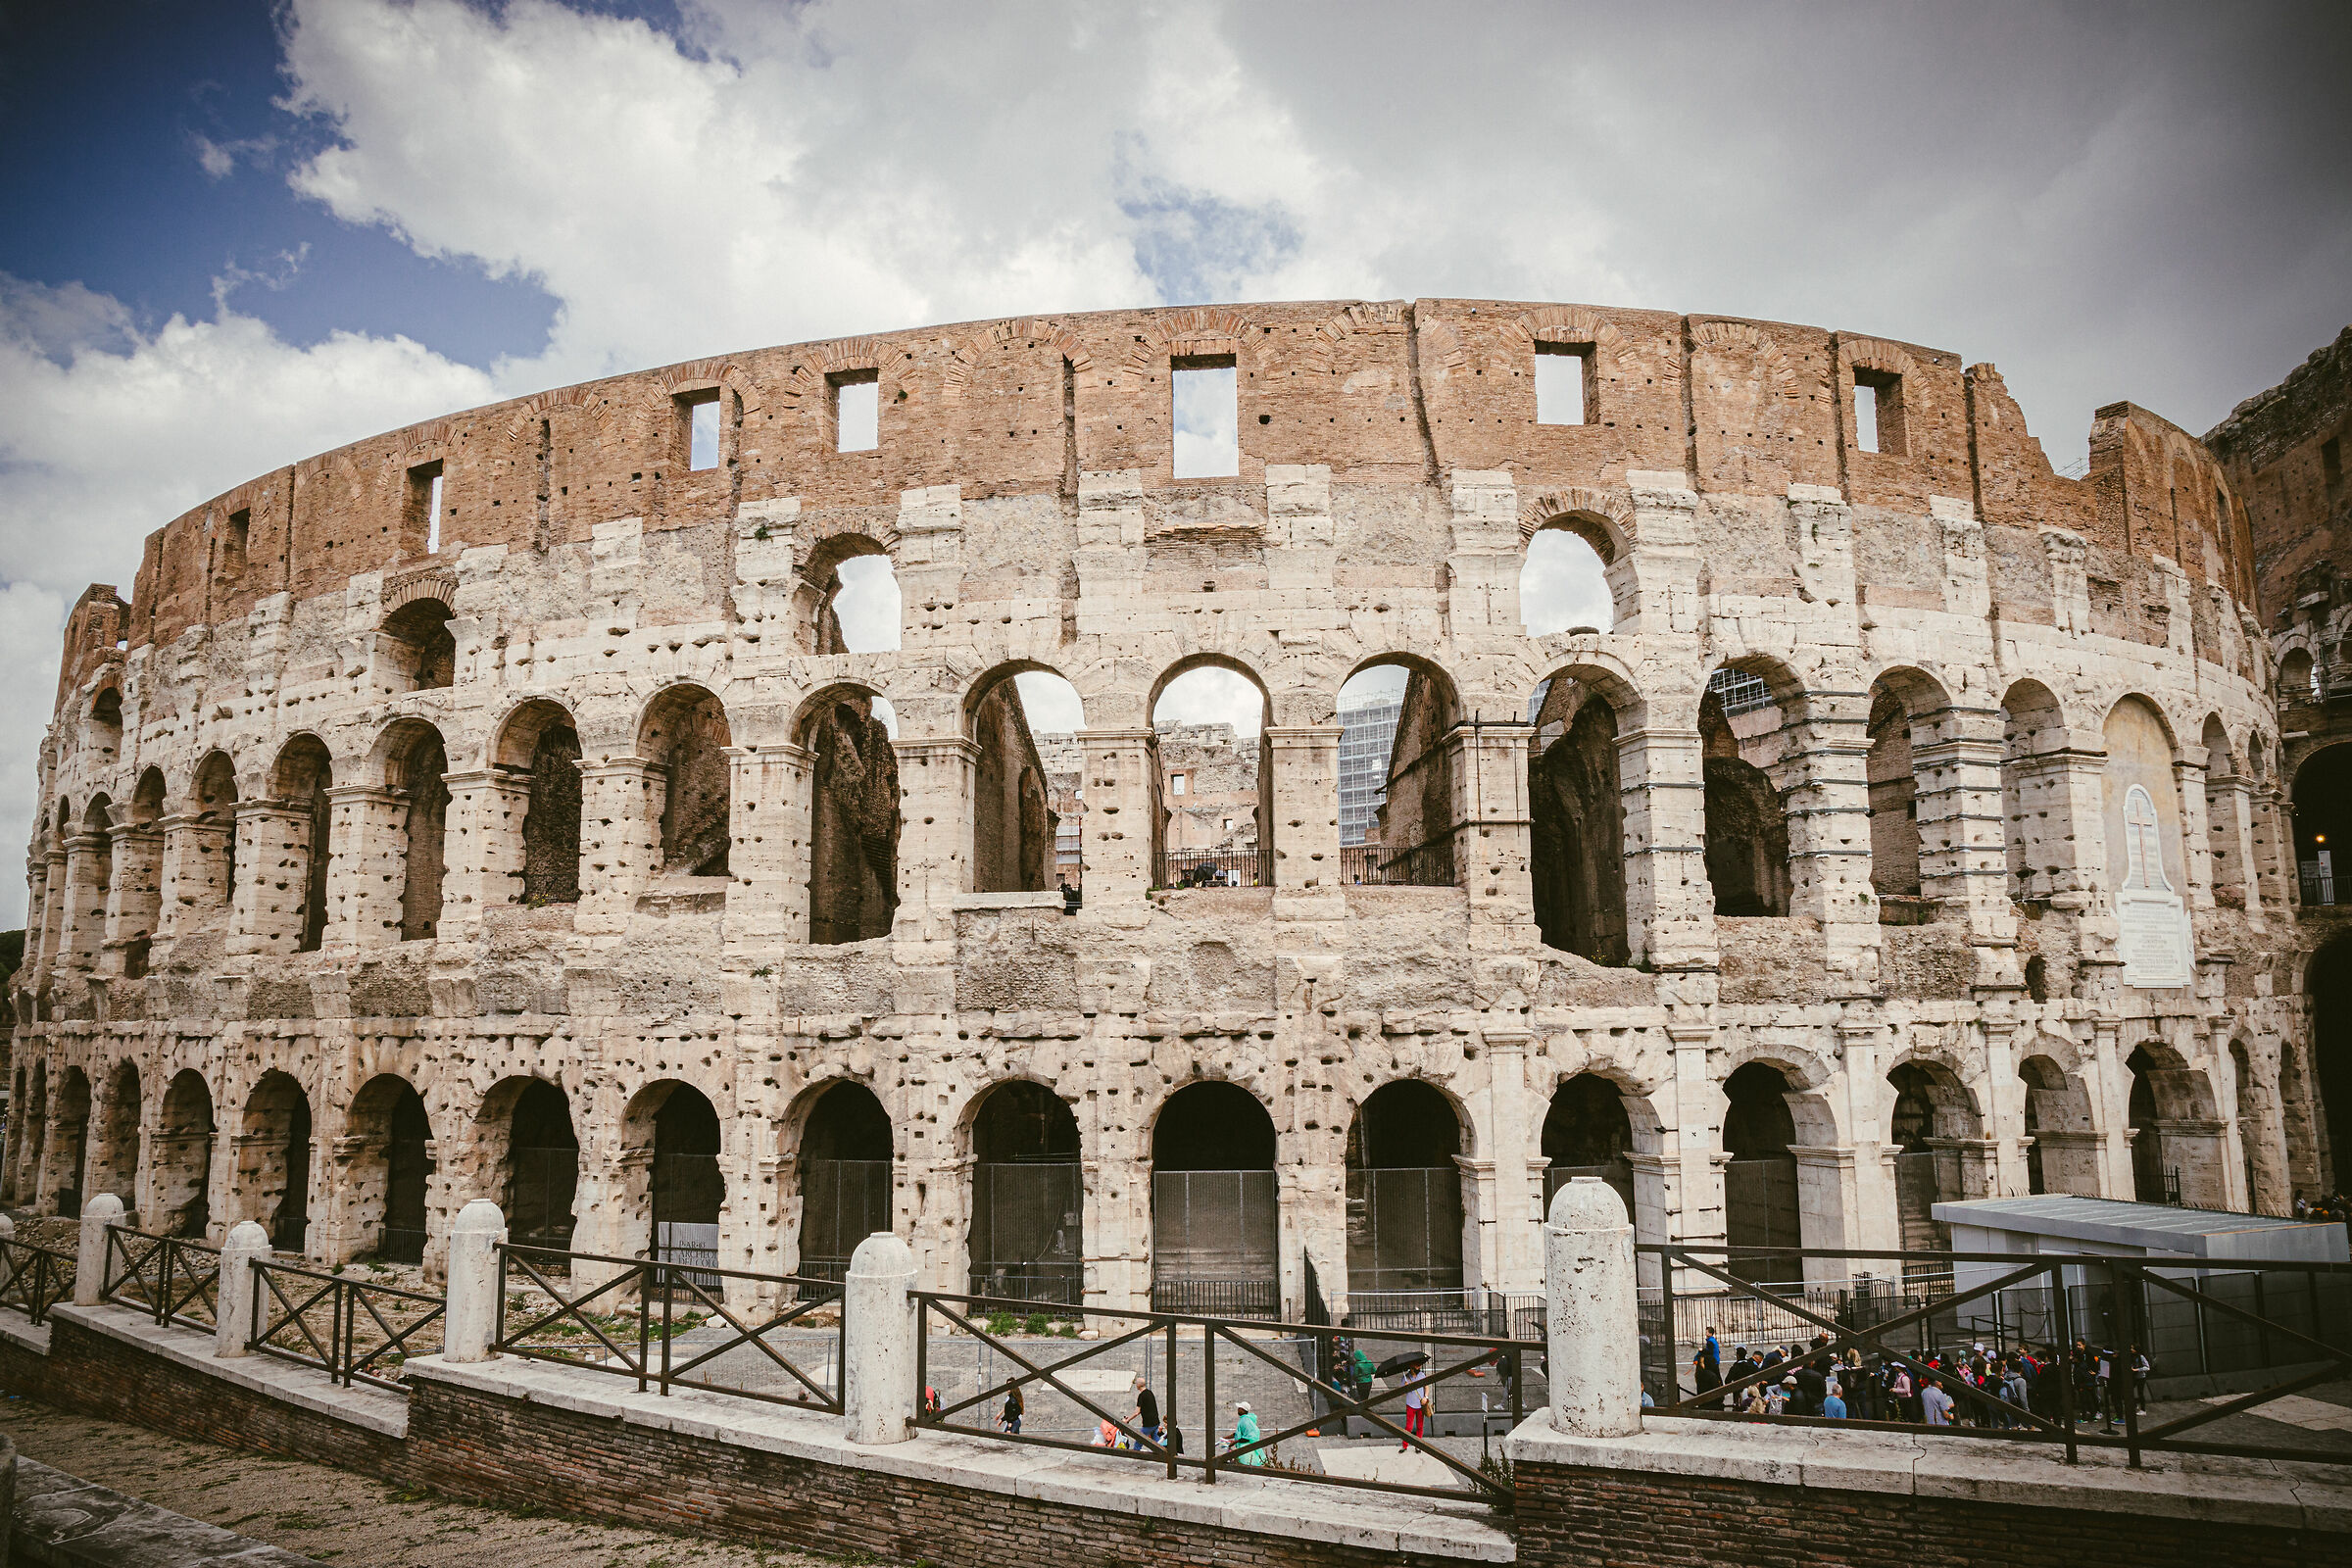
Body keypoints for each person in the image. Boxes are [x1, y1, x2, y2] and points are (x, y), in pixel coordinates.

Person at [1229, 1400, 1265, 1465]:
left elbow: (1249, 1436)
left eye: (1239, 1408)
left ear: (1243, 1410)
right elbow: (1238, 1433)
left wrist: (1235, 1442)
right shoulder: (1245, 1419)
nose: (1238, 1410)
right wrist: (1225, 1438)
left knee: (1246, 1464)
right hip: (1246, 1446)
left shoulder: (1245, 1420)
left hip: (1246, 1447)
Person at [1401, 1364, 1430, 1447]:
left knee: (1420, 1426)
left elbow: (1426, 1387)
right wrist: (1405, 1387)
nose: (1419, 1368)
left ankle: (1418, 1445)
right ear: (1411, 1367)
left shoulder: (1422, 1375)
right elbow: (1402, 1393)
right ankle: (1405, 1445)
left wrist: (1426, 1397)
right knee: (1409, 1427)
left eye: (1419, 1366)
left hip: (1421, 1404)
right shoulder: (1405, 1378)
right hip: (1410, 1404)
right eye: (1417, 1366)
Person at [1132, 1374, 1162, 1447]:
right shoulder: (1150, 1392)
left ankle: (1136, 1454)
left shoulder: (1141, 1396)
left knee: (1139, 1441)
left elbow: (1137, 1412)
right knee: (1157, 1443)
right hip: (1156, 1422)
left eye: (1136, 1383)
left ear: (1139, 1385)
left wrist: (1127, 1420)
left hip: (1148, 1424)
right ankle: (1162, 1454)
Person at [2131, 1345, 2151, 1414]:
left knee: (2140, 1393)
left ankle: (2143, 1409)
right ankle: (2134, 1405)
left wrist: (2137, 1370)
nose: (2131, 1350)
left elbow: (2147, 1367)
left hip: (2141, 1377)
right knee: (2129, 1390)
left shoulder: (2141, 1357)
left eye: (2132, 1348)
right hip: (2134, 1376)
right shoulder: (2132, 1356)